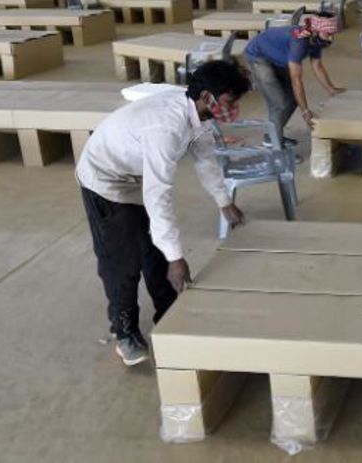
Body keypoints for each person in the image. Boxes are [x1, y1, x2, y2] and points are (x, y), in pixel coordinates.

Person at [76, 60, 251, 366]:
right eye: (229, 100)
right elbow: (158, 195)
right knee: (123, 260)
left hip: (135, 174)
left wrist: (225, 201)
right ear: (208, 96)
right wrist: (177, 257)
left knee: (154, 254)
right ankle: (124, 332)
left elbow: (205, 159)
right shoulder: (165, 128)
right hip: (105, 178)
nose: (233, 108)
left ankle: (169, 318)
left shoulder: (199, 115)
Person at [243, 13, 345, 143]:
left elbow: (317, 66)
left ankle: (273, 135)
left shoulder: (316, 40)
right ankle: (275, 144)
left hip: (278, 57)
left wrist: (332, 90)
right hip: (258, 56)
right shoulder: (300, 42)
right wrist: (305, 112)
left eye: (333, 34)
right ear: (317, 30)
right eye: (328, 33)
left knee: (292, 100)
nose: (331, 38)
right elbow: (296, 80)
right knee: (279, 103)